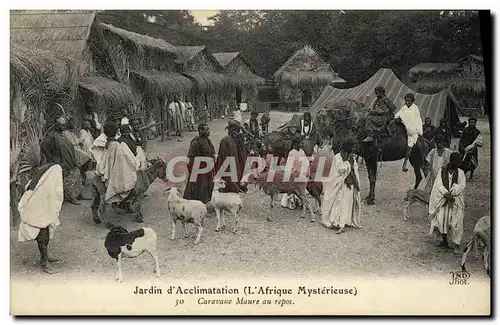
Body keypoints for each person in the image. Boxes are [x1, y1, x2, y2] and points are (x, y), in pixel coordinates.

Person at [17, 163, 63, 274]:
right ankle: (45, 262)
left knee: (45, 233)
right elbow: (57, 191)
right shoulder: (52, 175)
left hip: (40, 207)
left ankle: (45, 257)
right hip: (37, 209)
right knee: (42, 235)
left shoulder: (43, 174)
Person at [321, 138, 361, 234]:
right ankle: (337, 223)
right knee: (338, 203)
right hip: (339, 184)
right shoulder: (338, 157)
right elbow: (340, 170)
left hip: (349, 185)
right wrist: (348, 164)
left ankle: (343, 222)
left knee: (346, 204)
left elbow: (354, 169)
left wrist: (355, 182)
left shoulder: (352, 158)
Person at [428, 152, 466, 254]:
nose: (458, 164)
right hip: (444, 199)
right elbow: (438, 185)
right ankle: (444, 241)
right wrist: (446, 194)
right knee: (442, 220)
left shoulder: (461, 173)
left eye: (459, 162)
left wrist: (453, 193)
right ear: (451, 160)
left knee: (456, 222)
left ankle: (456, 244)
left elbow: (461, 186)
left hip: (455, 200)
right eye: (456, 162)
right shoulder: (442, 171)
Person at [41, 116, 82, 205]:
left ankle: (77, 194)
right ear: (56, 125)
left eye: (64, 125)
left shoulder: (61, 135)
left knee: (76, 175)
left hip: (69, 161)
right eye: (62, 125)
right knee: (67, 180)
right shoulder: (52, 135)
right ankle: (71, 197)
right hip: (59, 161)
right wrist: (51, 159)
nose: (64, 127)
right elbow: (44, 146)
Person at [94, 122, 138, 206]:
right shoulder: (118, 145)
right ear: (117, 131)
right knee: (131, 182)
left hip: (106, 170)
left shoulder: (108, 144)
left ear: (105, 133)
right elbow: (129, 161)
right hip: (116, 171)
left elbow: (105, 161)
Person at [183, 123, 216, 203]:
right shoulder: (195, 143)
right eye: (206, 130)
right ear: (200, 131)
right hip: (199, 170)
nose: (208, 132)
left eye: (208, 130)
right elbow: (190, 158)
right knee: (197, 188)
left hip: (207, 169)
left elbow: (212, 152)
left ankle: (204, 201)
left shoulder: (208, 141)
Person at [215, 120, 248, 192]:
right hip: (228, 164)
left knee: (236, 180)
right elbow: (222, 155)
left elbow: (248, 135)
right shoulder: (225, 140)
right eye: (234, 130)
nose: (236, 133)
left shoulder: (236, 139)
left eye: (237, 131)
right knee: (229, 182)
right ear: (229, 130)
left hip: (236, 163)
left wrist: (241, 127)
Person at [395, 93, 423, 172]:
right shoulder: (404, 107)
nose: (407, 102)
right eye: (406, 100)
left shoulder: (415, 108)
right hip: (405, 126)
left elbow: (416, 119)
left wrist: (410, 125)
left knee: (410, 144)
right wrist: (399, 118)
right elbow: (399, 114)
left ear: (412, 101)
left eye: (409, 100)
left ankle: (404, 164)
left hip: (413, 128)